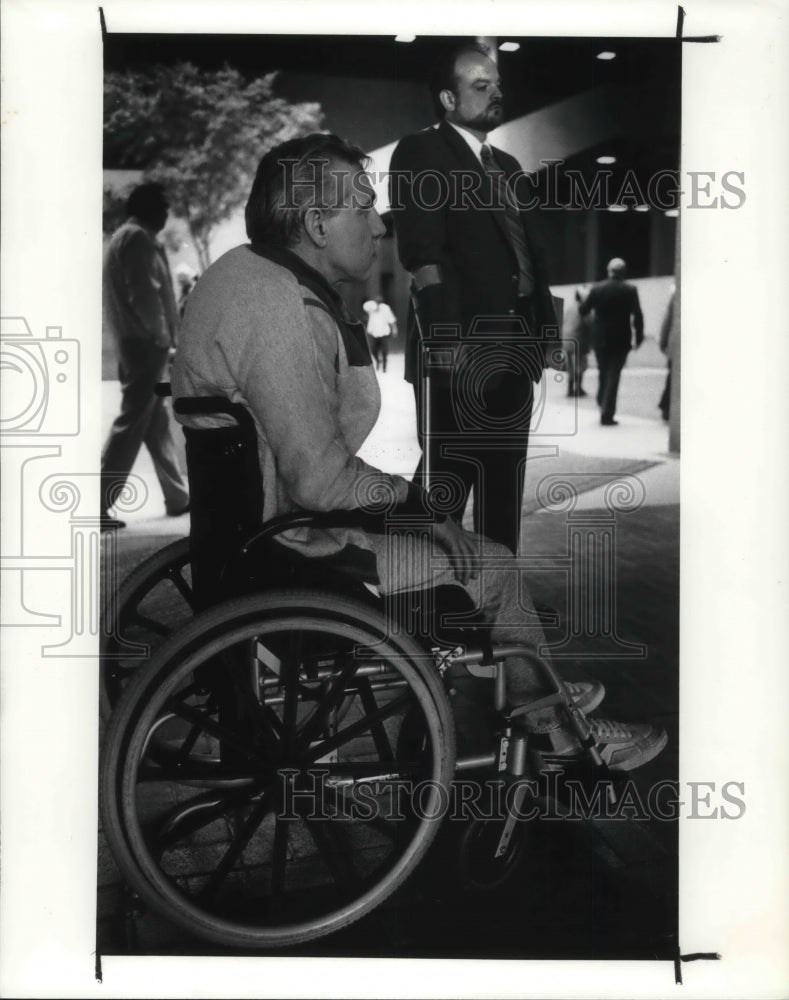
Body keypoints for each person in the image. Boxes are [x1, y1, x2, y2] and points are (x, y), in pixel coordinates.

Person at [171, 132, 666, 774]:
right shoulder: (280, 306)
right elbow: (320, 481)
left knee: (456, 539)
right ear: (317, 224)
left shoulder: (239, 275)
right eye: (364, 208)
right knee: (492, 563)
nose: (381, 226)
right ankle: (559, 732)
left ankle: (532, 685)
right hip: (294, 550)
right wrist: (417, 508)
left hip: (249, 534)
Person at [389, 42, 560, 556]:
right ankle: (422, 607)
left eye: (497, 87)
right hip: (459, 352)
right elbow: (423, 255)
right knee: (446, 489)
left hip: (516, 350)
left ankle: (500, 610)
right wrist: (446, 342)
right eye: (480, 87)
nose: (495, 95)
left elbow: (531, 255)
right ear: (447, 97)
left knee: (504, 491)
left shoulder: (506, 164)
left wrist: (547, 335)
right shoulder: (420, 152)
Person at [100, 183, 190, 529]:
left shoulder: (126, 237)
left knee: (155, 423)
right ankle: (97, 502)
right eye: (164, 209)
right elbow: (146, 295)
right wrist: (164, 340)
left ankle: (178, 497)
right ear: (151, 209)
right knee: (133, 422)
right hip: (145, 345)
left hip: (137, 343)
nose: (167, 216)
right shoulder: (136, 239)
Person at [579, 257, 644, 426]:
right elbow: (637, 315)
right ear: (623, 272)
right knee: (614, 375)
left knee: (603, 372)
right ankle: (607, 412)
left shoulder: (597, 288)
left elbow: (583, 309)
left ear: (609, 271)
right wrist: (640, 336)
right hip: (621, 338)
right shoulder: (630, 290)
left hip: (600, 338)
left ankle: (602, 402)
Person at [564, 287, 592, 398]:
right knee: (580, 365)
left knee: (570, 366)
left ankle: (570, 389)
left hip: (567, 340)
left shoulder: (570, 308)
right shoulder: (584, 309)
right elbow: (590, 324)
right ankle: (578, 389)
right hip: (579, 340)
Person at [362, 294, 397, 372]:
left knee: (384, 351)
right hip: (374, 333)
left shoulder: (386, 308)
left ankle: (384, 367)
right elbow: (365, 306)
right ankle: (378, 361)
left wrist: (394, 329)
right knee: (373, 350)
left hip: (384, 332)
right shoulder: (371, 308)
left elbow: (392, 319)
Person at [658, 284, 675, 422]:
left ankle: (665, 407)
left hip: (676, 346)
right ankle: (665, 406)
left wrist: (663, 342)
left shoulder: (676, 294)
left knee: (672, 377)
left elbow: (667, 320)